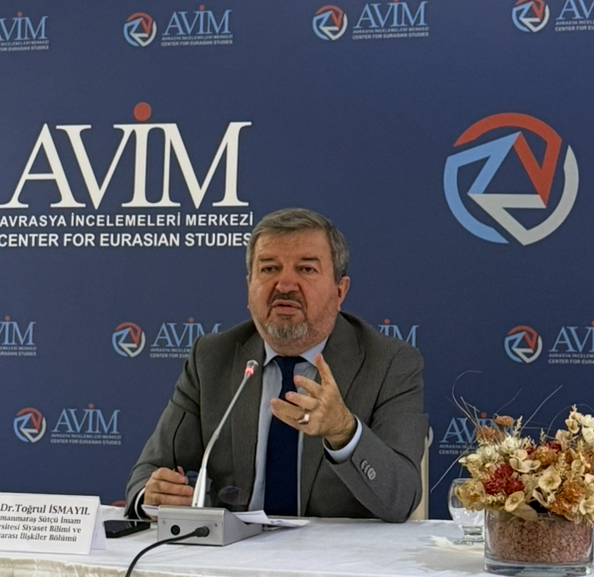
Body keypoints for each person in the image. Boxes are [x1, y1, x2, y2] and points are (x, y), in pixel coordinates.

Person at [124, 208, 427, 521]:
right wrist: (151, 495)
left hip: (336, 550)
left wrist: (344, 431)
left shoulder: (389, 363)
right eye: (269, 269)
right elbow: (150, 470)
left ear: (340, 291)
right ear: (249, 286)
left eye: (306, 269)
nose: (285, 285)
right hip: (236, 548)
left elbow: (401, 498)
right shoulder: (212, 358)